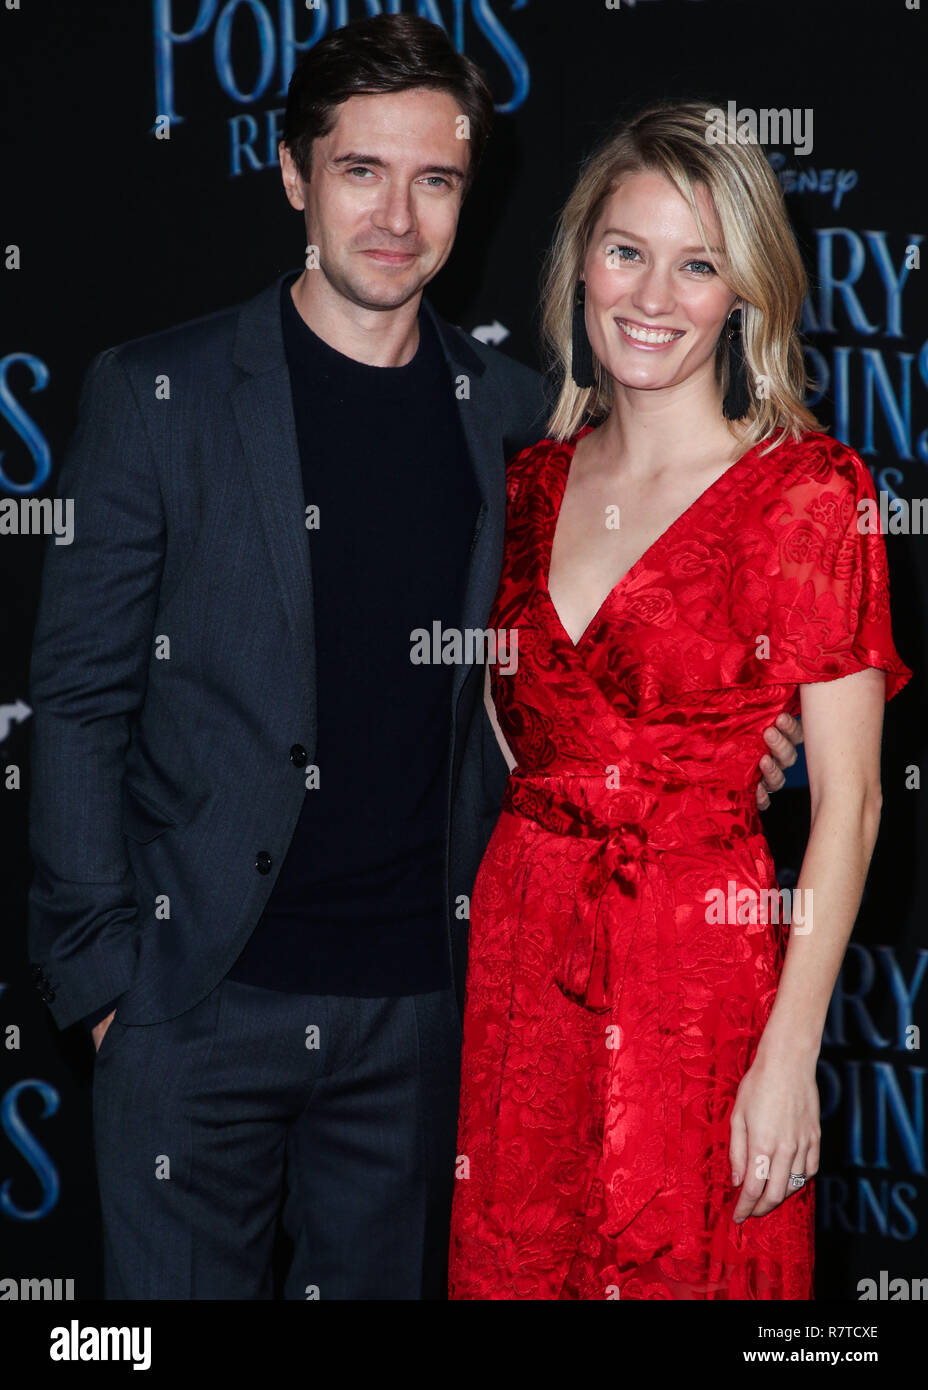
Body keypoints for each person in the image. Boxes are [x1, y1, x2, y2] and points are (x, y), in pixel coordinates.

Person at [26, 17, 799, 1300]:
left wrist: (725, 743)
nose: (397, 215)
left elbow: (590, 661)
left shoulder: (516, 426)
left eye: (434, 179)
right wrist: (106, 981)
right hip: (195, 999)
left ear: (467, 194)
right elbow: (76, 701)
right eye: (359, 171)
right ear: (293, 175)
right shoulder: (156, 395)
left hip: (423, 1019)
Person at [447, 101, 911, 1301]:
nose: (652, 294)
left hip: (699, 989)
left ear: (743, 292)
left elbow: (851, 804)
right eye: (625, 250)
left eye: (697, 261)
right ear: (579, 264)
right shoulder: (529, 480)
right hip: (523, 970)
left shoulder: (806, 489)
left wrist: (790, 1052)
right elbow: (517, 732)